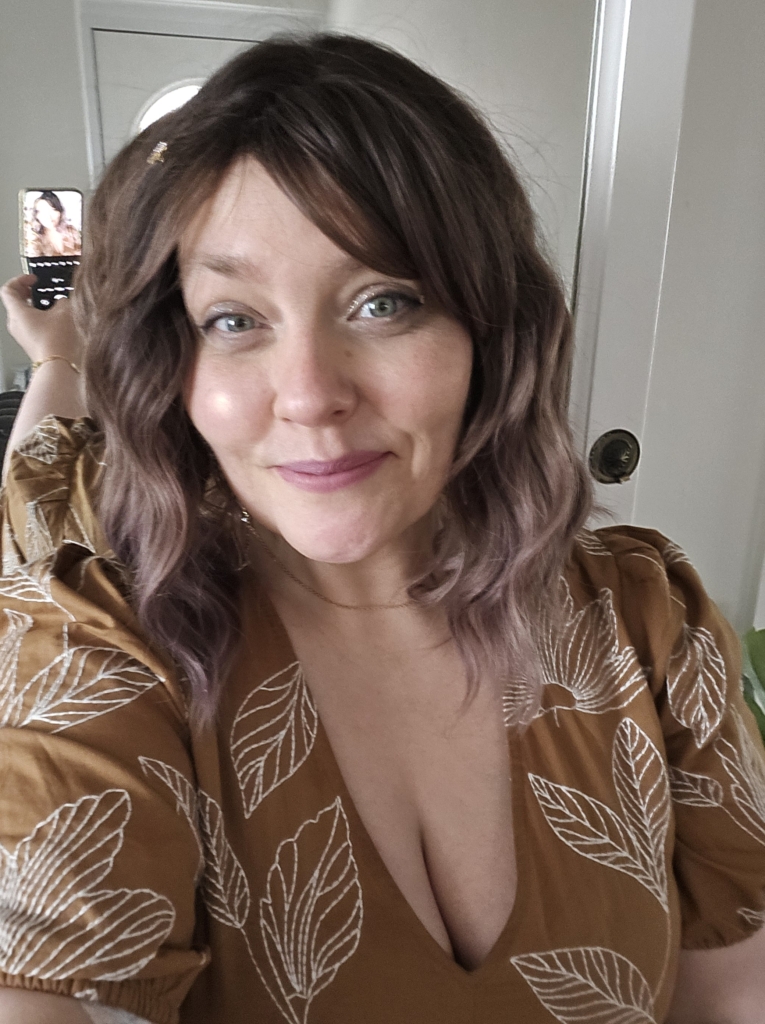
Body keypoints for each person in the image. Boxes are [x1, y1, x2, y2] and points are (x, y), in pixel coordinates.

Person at [0, 33, 764, 1024]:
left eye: (383, 302)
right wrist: (54, 357)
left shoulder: (648, 618)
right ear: (171, 364)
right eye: (233, 319)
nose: (310, 394)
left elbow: (734, 989)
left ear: (489, 329)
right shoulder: (101, 644)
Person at [24, 191, 82, 258]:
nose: (49, 216)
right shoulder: (34, 237)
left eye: (53, 210)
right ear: (36, 215)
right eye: (44, 211)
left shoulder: (71, 231)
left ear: (60, 211)